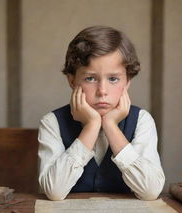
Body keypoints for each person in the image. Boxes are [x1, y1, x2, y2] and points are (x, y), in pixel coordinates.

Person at [38, 25, 165, 201]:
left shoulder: (142, 120)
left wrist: (111, 126)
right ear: (72, 80)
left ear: (127, 81)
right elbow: (54, 192)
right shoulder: (52, 122)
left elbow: (150, 191)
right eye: (90, 78)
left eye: (113, 79)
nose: (102, 91)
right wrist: (91, 126)